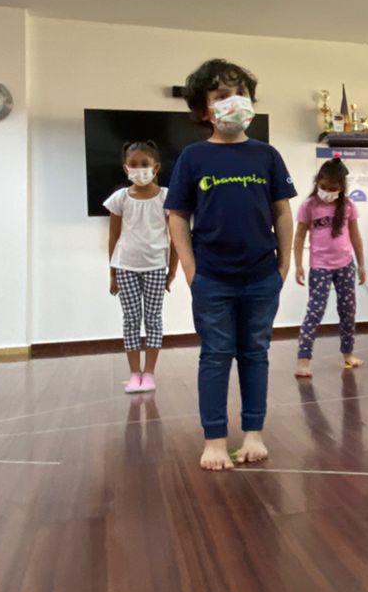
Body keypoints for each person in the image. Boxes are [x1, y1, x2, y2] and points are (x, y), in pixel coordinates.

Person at [166, 59, 295, 470]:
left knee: (256, 354)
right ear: (205, 110)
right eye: (222, 96)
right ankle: (216, 441)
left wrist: (285, 263)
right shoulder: (193, 156)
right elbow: (176, 216)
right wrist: (191, 271)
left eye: (240, 94)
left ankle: (254, 435)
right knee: (216, 356)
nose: (232, 103)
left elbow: (282, 212)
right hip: (213, 279)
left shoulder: (267, 156)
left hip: (262, 276)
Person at [105, 140, 176, 393]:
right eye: (133, 165)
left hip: (156, 266)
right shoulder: (120, 198)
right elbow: (113, 237)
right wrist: (112, 272)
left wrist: (173, 271)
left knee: (153, 319)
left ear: (156, 167)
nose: (139, 169)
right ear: (126, 169)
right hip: (126, 267)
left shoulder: (168, 197)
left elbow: (176, 237)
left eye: (144, 164)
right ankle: (135, 373)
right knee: (131, 319)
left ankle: (150, 373)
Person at [293, 157, 366, 378]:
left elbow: (355, 235)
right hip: (320, 266)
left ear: (342, 188)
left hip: (345, 264)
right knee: (315, 311)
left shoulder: (348, 206)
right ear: (318, 181)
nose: (327, 191)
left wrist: (361, 264)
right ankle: (303, 360)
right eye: (323, 187)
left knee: (347, 311)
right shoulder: (309, 206)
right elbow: (299, 237)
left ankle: (348, 354)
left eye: (333, 189)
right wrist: (298, 265)